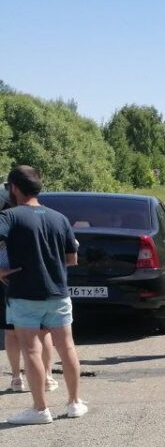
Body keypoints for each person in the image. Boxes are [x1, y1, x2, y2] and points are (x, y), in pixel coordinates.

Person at [0, 165, 86, 424]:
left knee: (32, 350)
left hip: (24, 293)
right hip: (58, 292)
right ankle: (74, 403)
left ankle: (40, 409)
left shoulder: (10, 217)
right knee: (67, 347)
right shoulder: (58, 218)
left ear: (14, 188)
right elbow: (72, 259)